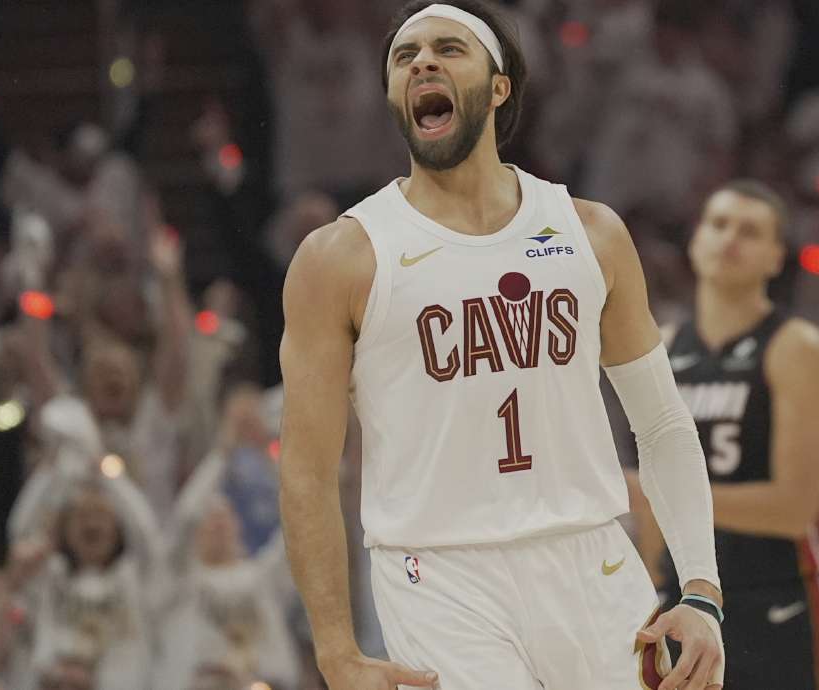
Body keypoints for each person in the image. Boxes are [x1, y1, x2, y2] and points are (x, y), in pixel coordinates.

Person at [278, 2, 724, 689]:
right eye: (405, 56)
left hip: (592, 557)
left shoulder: (592, 233)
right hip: (438, 572)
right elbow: (306, 469)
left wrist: (700, 591)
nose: (423, 62)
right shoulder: (342, 257)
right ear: (396, 96)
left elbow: (662, 423)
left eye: (449, 49)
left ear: (498, 86)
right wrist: (335, 650)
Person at [627, 181, 819, 690]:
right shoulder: (662, 346)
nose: (730, 239)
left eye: (749, 232)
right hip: (688, 602)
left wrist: (665, 494)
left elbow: (795, 507)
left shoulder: (797, 347)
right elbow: (647, 501)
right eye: (718, 224)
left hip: (781, 598)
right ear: (695, 241)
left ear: (776, 258)